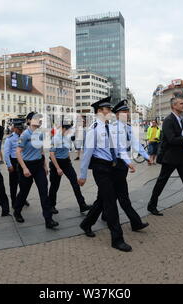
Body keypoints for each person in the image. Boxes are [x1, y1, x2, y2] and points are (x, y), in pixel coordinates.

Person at [78, 96, 135, 252]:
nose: (110, 111)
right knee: (110, 203)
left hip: (113, 167)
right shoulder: (94, 130)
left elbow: (119, 148)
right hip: (101, 168)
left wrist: (128, 161)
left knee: (102, 200)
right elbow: (87, 154)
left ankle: (86, 224)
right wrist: (82, 175)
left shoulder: (112, 128)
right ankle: (117, 239)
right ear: (99, 111)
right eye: (107, 109)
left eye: (110, 109)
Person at [95, 100, 150, 230]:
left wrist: (147, 156)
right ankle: (134, 222)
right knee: (119, 195)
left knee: (108, 195)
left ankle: (102, 215)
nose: (127, 114)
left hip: (122, 164)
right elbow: (116, 148)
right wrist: (128, 162)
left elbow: (135, 143)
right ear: (118, 114)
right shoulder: (113, 127)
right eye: (124, 112)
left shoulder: (128, 127)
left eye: (127, 111)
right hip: (114, 163)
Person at [13, 112, 58, 229]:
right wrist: (24, 168)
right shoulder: (24, 135)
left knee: (44, 192)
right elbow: (18, 152)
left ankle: (48, 220)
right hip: (27, 166)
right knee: (24, 192)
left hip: (38, 166)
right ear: (29, 121)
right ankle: (17, 211)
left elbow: (41, 150)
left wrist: (45, 165)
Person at [48, 119, 92, 214]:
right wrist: (58, 168)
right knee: (55, 186)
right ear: (63, 128)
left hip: (66, 163)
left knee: (75, 183)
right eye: (68, 129)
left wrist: (69, 161)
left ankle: (82, 205)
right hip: (56, 163)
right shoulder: (56, 138)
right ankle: (51, 206)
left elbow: (66, 150)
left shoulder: (67, 137)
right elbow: (52, 154)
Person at [4, 121, 29, 208]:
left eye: (21, 129)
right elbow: (6, 153)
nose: (20, 131)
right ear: (14, 128)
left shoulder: (24, 137)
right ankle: (14, 201)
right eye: (19, 129)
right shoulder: (9, 138)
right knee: (13, 184)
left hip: (23, 161)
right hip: (14, 162)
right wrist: (9, 165)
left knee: (24, 183)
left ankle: (22, 198)